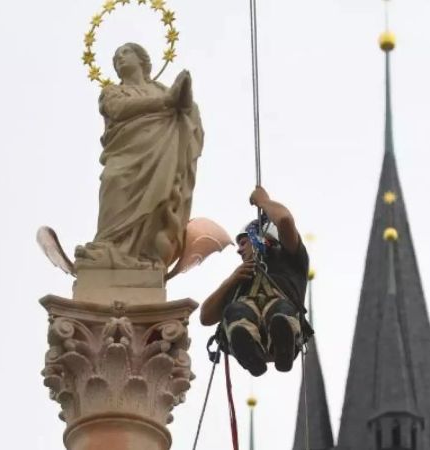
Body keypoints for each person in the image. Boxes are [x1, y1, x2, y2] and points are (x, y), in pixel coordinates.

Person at [75, 43, 204, 271]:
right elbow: (117, 109)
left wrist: (185, 95)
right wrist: (167, 102)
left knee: (159, 199)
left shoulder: (162, 89)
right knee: (113, 180)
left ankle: (143, 254)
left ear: (142, 60)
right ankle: (108, 245)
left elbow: (187, 113)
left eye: (126, 52)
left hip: (160, 153)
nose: (119, 58)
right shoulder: (113, 91)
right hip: (124, 151)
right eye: (116, 57)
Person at [200, 186, 310, 376]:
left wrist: (264, 201)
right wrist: (232, 280)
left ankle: (282, 340)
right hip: (252, 334)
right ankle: (251, 350)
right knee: (237, 311)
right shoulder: (240, 281)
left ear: (260, 237)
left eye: (244, 242)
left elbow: (284, 220)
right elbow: (206, 316)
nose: (239, 250)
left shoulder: (290, 259)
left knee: (280, 310)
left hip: (283, 327)